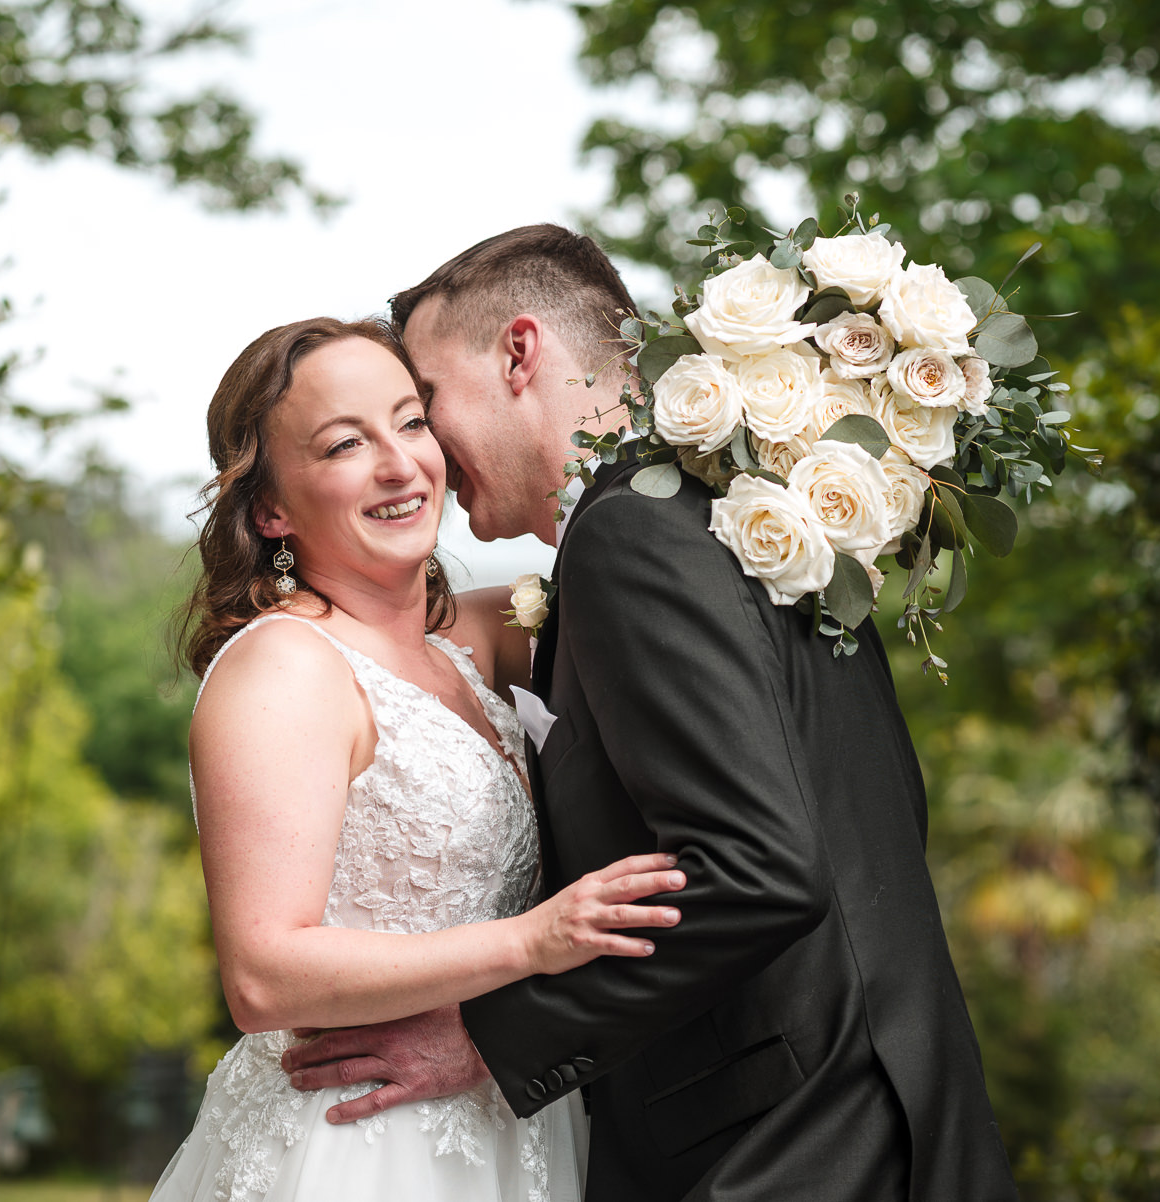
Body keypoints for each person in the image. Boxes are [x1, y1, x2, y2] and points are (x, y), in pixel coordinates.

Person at [279, 228, 1021, 1201]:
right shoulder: (755, 520)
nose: (425, 447)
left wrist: (494, 1038)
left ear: (518, 352)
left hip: (794, 1151)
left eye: (425, 401)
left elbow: (762, 869)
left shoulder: (631, 534)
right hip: (895, 1120)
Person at [150, 316, 687, 1202]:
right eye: (343, 445)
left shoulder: (483, 638)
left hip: (514, 1119)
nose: (400, 465)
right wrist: (532, 941)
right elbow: (262, 974)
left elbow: (656, 571)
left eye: (410, 422)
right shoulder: (283, 666)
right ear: (271, 507)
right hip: (358, 1141)